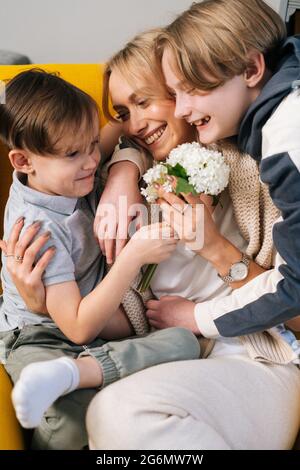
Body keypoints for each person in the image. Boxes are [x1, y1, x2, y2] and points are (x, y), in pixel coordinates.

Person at [5, 30, 300, 449]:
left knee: (119, 416)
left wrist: (216, 250)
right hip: (169, 352)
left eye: (145, 101)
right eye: (125, 111)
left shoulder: (251, 168)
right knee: (111, 419)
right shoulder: (96, 176)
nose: (136, 123)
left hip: (253, 353)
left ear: (182, 93)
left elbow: (295, 305)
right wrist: (125, 164)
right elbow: (90, 310)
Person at [0, 69, 201, 449]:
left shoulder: (67, 164)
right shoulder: (38, 229)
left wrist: (123, 170)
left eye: (92, 145)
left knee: (184, 342)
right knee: (73, 428)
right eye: (73, 154)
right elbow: (76, 328)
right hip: (41, 337)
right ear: (24, 161)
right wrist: (136, 253)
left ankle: (81, 373)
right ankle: (71, 378)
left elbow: (124, 130)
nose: (92, 160)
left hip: (98, 331)